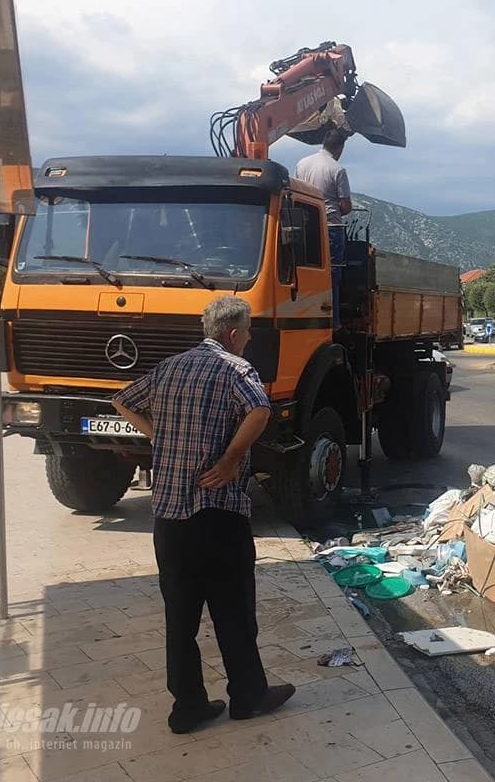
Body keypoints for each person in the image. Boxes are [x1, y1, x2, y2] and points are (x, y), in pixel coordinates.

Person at [112, 296, 294, 734]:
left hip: (170, 518)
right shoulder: (236, 369)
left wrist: (162, 438)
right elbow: (261, 409)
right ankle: (248, 697)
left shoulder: (171, 367)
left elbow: (122, 400)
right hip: (217, 513)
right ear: (233, 334)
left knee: (181, 619)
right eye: (248, 332)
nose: (248, 340)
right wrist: (232, 458)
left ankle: (188, 707)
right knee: (233, 611)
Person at [293, 128, 353, 328]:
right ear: (340, 147)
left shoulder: (302, 164)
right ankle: (332, 321)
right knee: (332, 275)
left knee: (304, 271)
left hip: (304, 226)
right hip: (331, 226)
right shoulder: (336, 169)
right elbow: (346, 206)